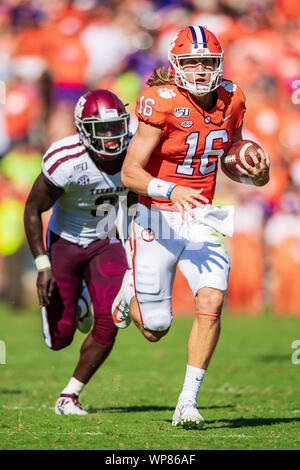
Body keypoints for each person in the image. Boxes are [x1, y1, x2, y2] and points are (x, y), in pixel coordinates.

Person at [112, 25, 269, 429]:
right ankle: (129, 284)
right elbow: (130, 173)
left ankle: (187, 403)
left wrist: (256, 173)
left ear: (219, 64)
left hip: (200, 215)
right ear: (175, 64)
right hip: (155, 215)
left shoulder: (233, 98)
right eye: (192, 61)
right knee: (155, 329)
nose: (201, 70)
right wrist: (171, 189)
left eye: (208, 62)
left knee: (212, 302)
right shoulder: (159, 101)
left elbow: (226, 160)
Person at [24, 89, 134, 415]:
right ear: (83, 130)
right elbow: (32, 209)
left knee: (111, 318)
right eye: (103, 130)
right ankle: (81, 299)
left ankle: (69, 395)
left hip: (108, 241)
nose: (113, 137)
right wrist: (42, 264)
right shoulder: (65, 160)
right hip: (66, 242)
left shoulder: (135, 152)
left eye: (117, 127)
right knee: (58, 339)